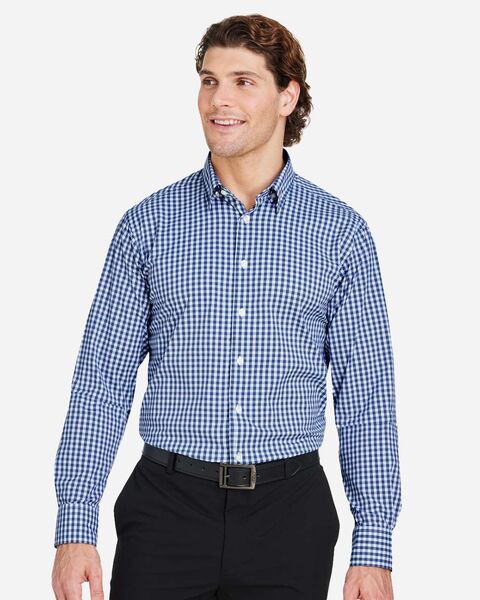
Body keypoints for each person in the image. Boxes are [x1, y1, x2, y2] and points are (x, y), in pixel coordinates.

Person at [51, 13, 402, 600]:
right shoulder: (148, 225)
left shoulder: (340, 234)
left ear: (287, 97)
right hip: (164, 510)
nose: (219, 99)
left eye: (243, 81)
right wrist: (75, 524)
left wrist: (374, 544)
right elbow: (100, 380)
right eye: (209, 80)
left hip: (289, 516)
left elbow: (366, 395)